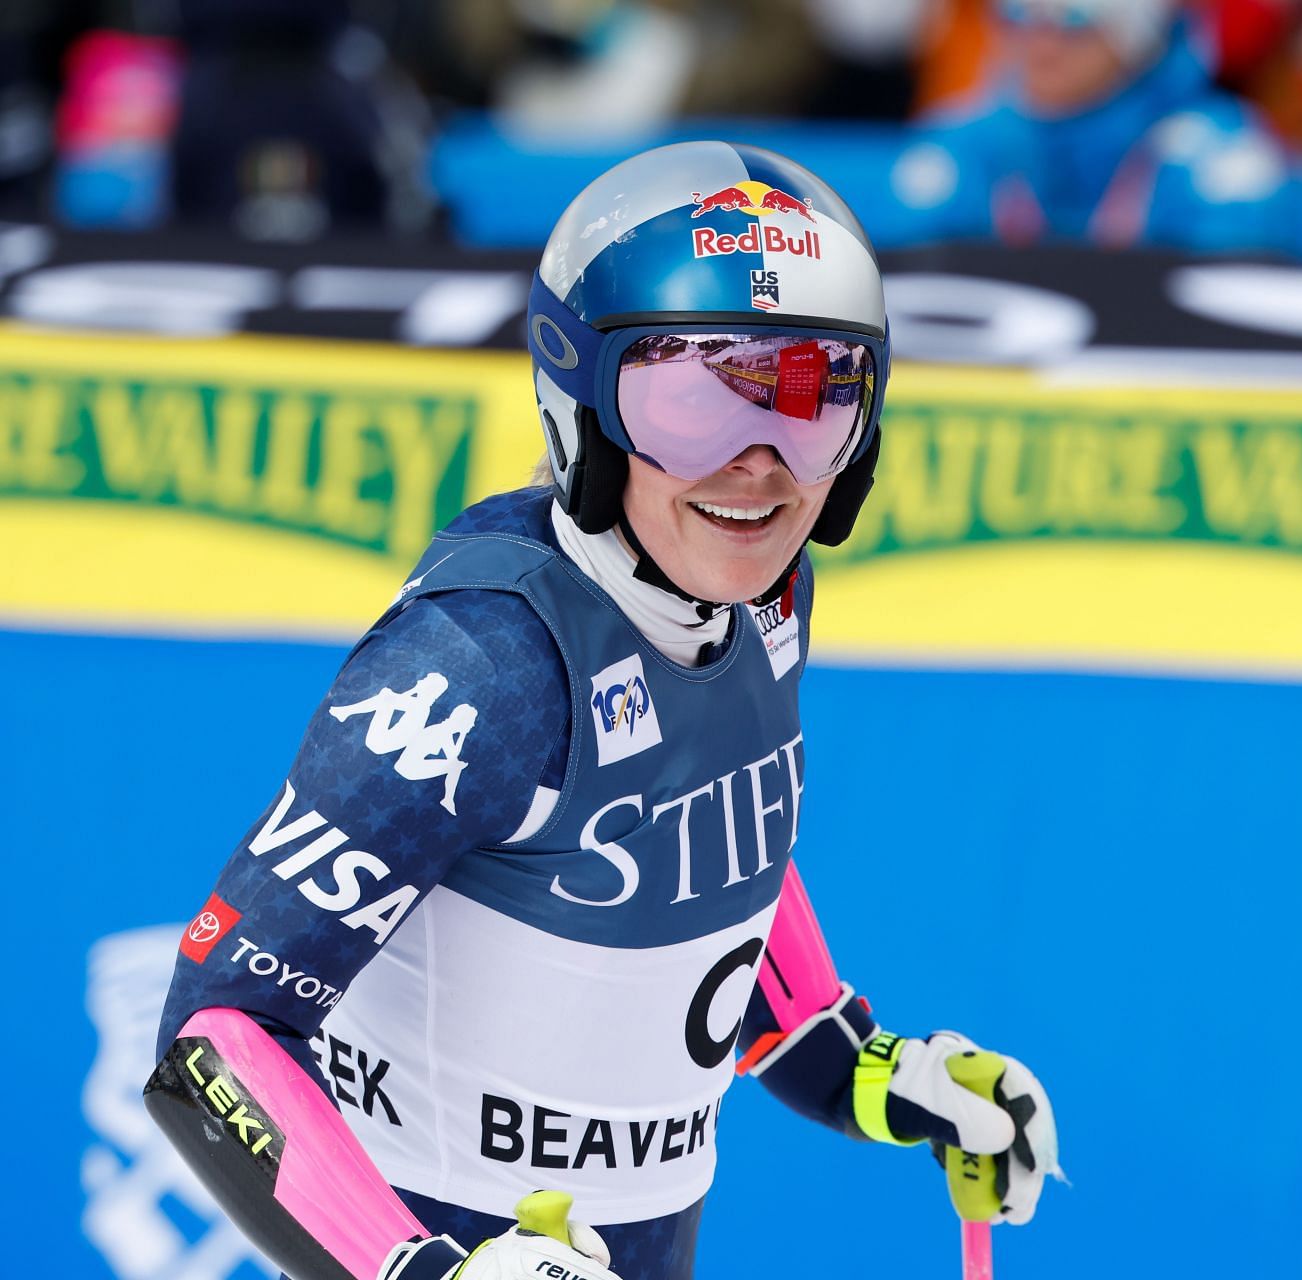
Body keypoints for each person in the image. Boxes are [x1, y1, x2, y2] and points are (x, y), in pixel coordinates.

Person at [144, 141, 1060, 1280]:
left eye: (814, 398)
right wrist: (424, 1270)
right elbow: (212, 1035)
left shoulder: (762, 593)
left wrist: (862, 1064)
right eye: (692, 401)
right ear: (581, 402)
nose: (759, 470)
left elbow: (707, 836)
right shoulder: (483, 666)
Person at [879, 0, 1288, 250]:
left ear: (1139, 38)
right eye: (1018, 12)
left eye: (1076, 16)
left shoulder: (1214, 157)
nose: (1042, 42)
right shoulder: (959, 145)